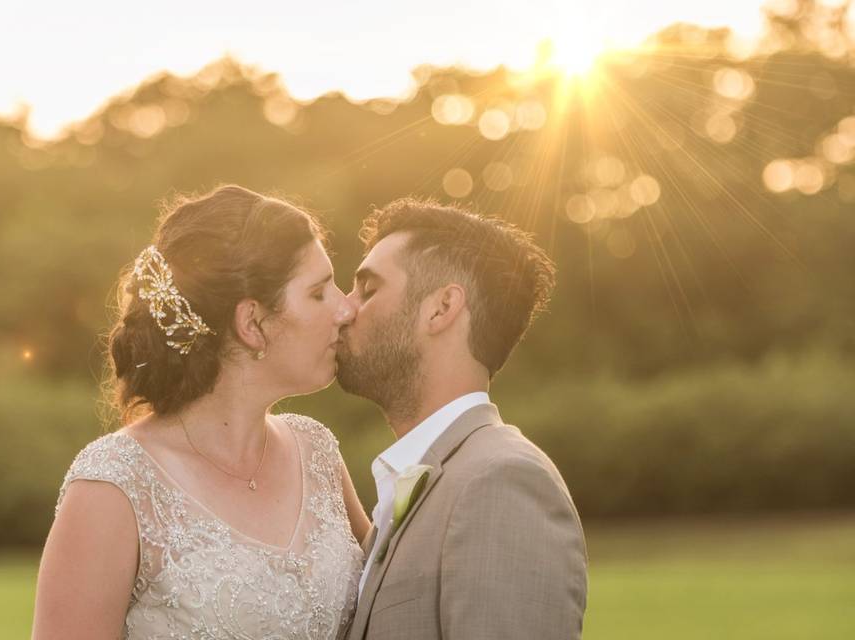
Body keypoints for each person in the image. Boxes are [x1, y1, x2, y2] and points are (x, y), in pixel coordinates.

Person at [32, 185, 370, 639]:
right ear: (252, 323)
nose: (346, 307)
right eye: (318, 292)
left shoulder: (318, 452)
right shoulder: (115, 486)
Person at [336, 198, 588, 639]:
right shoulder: (422, 482)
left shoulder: (503, 482)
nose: (344, 308)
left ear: (441, 307)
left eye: (368, 289)